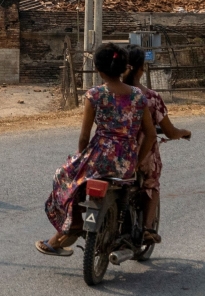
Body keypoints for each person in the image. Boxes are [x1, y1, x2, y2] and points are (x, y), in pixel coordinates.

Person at [36, 43, 156, 257]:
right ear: (123, 68)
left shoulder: (95, 95)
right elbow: (150, 134)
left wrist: (80, 157)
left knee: (63, 177)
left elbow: (84, 136)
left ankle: (74, 224)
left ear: (99, 70)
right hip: (125, 163)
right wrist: (136, 160)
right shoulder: (138, 96)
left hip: (98, 159)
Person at [124, 45, 191, 243]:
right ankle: (146, 228)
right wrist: (184, 132)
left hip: (115, 152)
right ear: (141, 68)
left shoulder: (109, 94)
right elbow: (168, 131)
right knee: (151, 182)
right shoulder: (150, 98)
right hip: (141, 155)